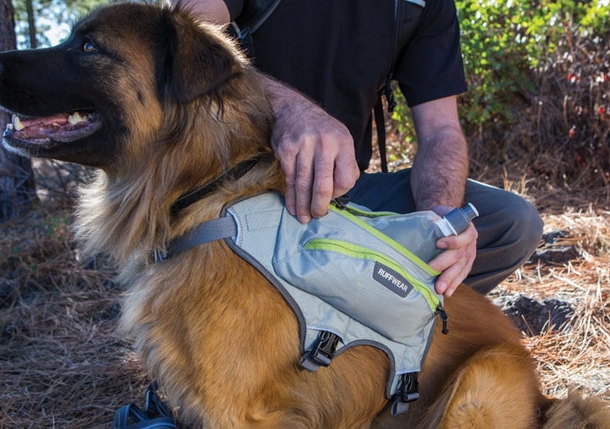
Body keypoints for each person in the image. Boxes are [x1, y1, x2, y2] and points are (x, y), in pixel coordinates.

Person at [177, 0, 544, 296]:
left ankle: (374, 347)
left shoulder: (421, 5)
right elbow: (183, 34)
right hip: (234, 189)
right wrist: (290, 109)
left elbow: (440, 130)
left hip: (342, 201)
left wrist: (438, 224)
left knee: (511, 223)